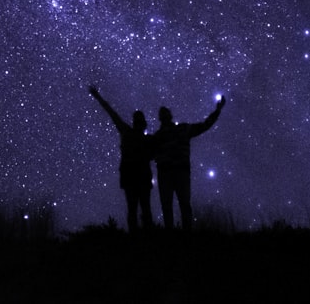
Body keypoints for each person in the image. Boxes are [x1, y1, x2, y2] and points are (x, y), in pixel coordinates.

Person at [153, 95, 226, 231]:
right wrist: (217, 111)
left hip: (173, 173)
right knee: (178, 205)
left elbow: (204, 125)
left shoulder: (165, 134)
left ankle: (180, 236)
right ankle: (185, 236)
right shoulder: (168, 133)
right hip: (175, 173)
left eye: (164, 114)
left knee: (174, 205)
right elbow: (205, 125)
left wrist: (217, 111)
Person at [88, 85, 155, 231]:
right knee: (144, 211)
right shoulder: (147, 140)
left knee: (135, 211)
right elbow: (111, 113)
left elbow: (112, 113)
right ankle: (148, 241)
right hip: (138, 178)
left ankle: (136, 240)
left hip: (131, 178)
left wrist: (97, 96)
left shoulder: (129, 133)